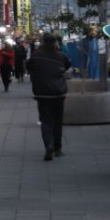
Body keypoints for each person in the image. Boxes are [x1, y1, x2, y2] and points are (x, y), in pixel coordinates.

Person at [27, 33, 72, 161]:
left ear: (42, 42)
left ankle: (49, 145)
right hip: (58, 92)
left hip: (42, 93)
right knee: (58, 121)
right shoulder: (61, 56)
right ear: (55, 43)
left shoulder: (36, 56)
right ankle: (58, 149)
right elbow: (68, 65)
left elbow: (28, 67)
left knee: (46, 121)